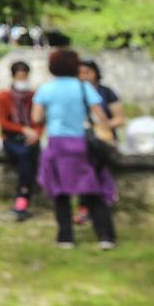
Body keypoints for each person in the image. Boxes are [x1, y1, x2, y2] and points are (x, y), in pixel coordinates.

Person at [31, 49, 118, 249]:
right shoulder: (83, 88)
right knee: (93, 189)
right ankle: (105, 237)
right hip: (81, 144)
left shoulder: (45, 89)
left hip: (56, 144)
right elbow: (101, 116)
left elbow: (36, 118)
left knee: (60, 193)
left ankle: (65, 237)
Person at [75, 59, 124, 224]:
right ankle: (86, 206)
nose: (84, 76)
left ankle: (98, 203)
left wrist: (101, 127)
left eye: (87, 72)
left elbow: (119, 119)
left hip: (103, 139)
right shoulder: (77, 93)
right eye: (80, 73)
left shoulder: (107, 93)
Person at [0, 61, 42, 221]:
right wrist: (23, 130)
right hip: (12, 138)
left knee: (30, 153)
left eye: (25, 76)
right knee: (25, 156)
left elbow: (39, 120)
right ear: (13, 77)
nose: (22, 80)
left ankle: (22, 199)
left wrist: (35, 133)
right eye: (19, 76)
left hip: (30, 138)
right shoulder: (4, 96)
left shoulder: (34, 96)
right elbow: (3, 122)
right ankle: (23, 197)